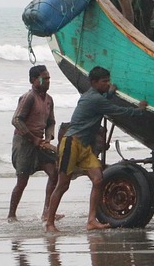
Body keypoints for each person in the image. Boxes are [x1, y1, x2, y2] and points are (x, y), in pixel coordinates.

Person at [44, 66, 148, 232]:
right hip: (72, 143)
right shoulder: (95, 99)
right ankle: (49, 223)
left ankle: (91, 220)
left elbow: (104, 100)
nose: (108, 84)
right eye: (104, 81)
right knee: (62, 185)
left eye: (108, 81)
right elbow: (117, 111)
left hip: (84, 146)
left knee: (98, 179)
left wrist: (110, 93)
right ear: (94, 82)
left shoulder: (93, 96)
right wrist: (140, 110)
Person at [8, 65, 59, 223]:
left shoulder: (49, 100)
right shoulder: (28, 97)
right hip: (24, 142)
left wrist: (48, 138)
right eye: (45, 78)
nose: (48, 81)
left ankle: (47, 212)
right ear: (33, 80)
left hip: (40, 143)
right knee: (22, 181)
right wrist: (33, 139)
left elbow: (51, 122)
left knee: (54, 172)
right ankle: (11, 214)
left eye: (49, 78)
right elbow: (16, 120)